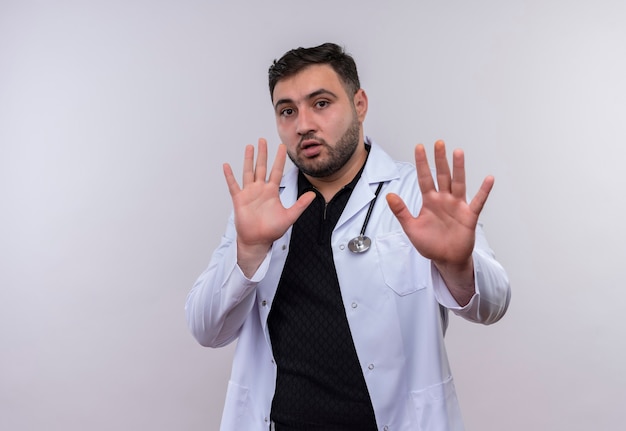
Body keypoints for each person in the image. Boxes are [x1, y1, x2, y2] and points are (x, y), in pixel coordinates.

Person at [186, 42, 510, 431]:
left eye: (321, 103)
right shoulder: (261, 209)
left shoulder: (415, 195)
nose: (303, 123)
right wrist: (250, 250)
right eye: (287, 111)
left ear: (359, 104)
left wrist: (457, 264)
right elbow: (206, 329)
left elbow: (492, 306)